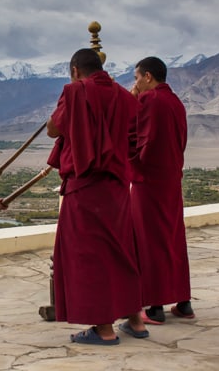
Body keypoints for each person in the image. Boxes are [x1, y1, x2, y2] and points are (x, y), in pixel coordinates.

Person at [45, 48, 147, 345]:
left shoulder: (75, 92)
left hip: (85, 187)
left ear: (75, 70)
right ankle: (136, 321)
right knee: (121, 251)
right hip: (116, 188)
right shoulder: (123, 95)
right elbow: (133, 136)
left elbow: (54, 129)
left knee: (91, 256)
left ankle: (104, 329)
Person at [129, 56, 194, 324]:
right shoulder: (176, 102)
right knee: (173, 240)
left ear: (147, 76)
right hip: (171, 181)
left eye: (136, 78)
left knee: (148, 242)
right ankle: (183, 303)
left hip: (148, 183)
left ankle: (155, 307)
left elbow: (134, 134)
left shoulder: (149, 100)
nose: (135, 84)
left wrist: (132, 98)